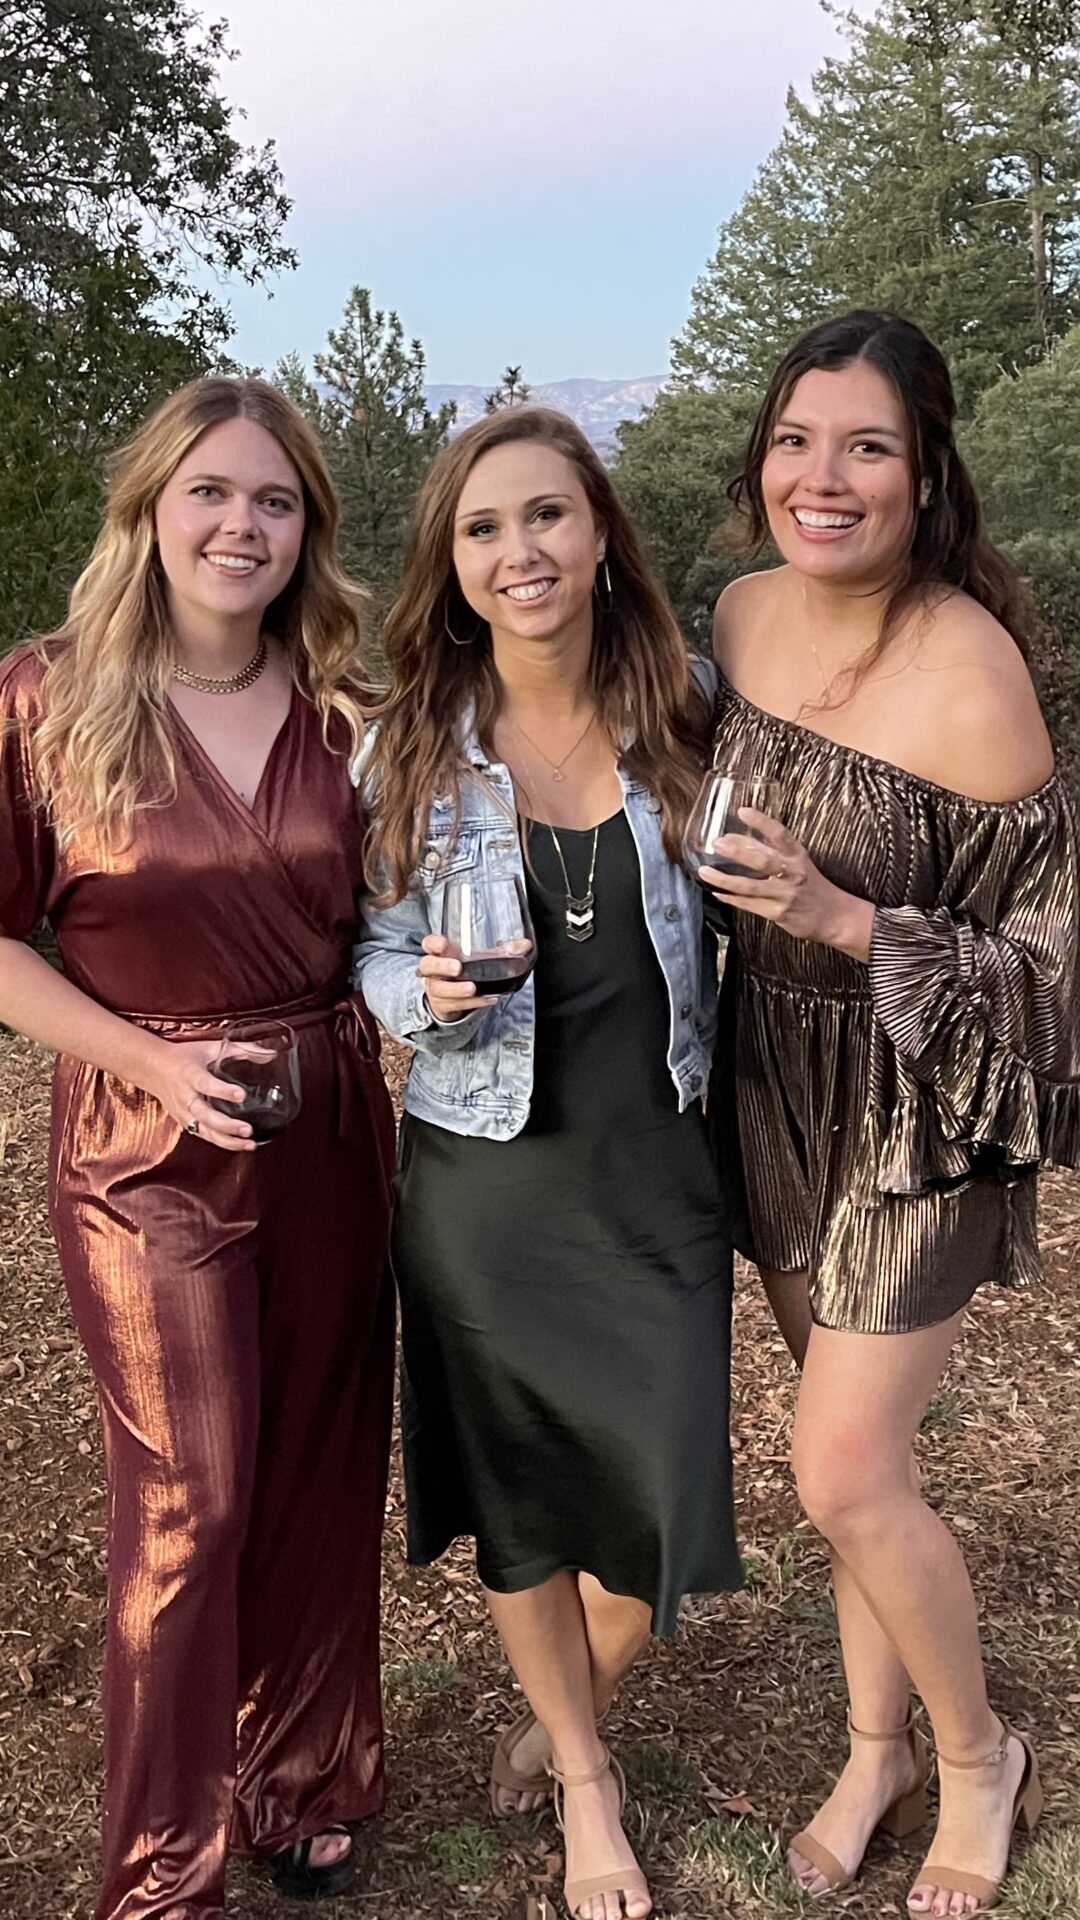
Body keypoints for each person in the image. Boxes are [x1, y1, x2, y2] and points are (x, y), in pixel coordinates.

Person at [0, 377, 396, 1919]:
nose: (243, 525)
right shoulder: (47, 696)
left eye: (276, 501)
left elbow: (391, 916)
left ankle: (301, 1777)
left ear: (309, 531)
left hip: (329, 1125)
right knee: (194, 1494)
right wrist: (147, 1064)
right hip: (144, 1148)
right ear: (151, 511)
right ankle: (164, 1872)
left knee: (312, 1469)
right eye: (213, 493)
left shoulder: (343, 703)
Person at [703, 309, 1080, 1916]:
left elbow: (1054, 974)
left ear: (927, 477)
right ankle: (879, 1750)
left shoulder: (972, 672)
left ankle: (980, 1753)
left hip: (921, 1103)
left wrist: (851, 921)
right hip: (769, 1084)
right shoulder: (732, 615)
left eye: (867, 447)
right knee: (844, 1455)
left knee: (846, 1470)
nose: (823, 477)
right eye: (797, 441)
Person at [355, 406, 741, 1920]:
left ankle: (563, 1698)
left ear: (597, 536)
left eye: (547, 518)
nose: (520, 553)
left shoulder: (689, 706)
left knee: (663, 1514)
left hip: (654, 1168)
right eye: (483, 529)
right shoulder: (407, 741)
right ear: (450, 564)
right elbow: (370, 954)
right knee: (518, 1497)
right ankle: (587, 1779)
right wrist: (421, 995)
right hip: (484, 1183)